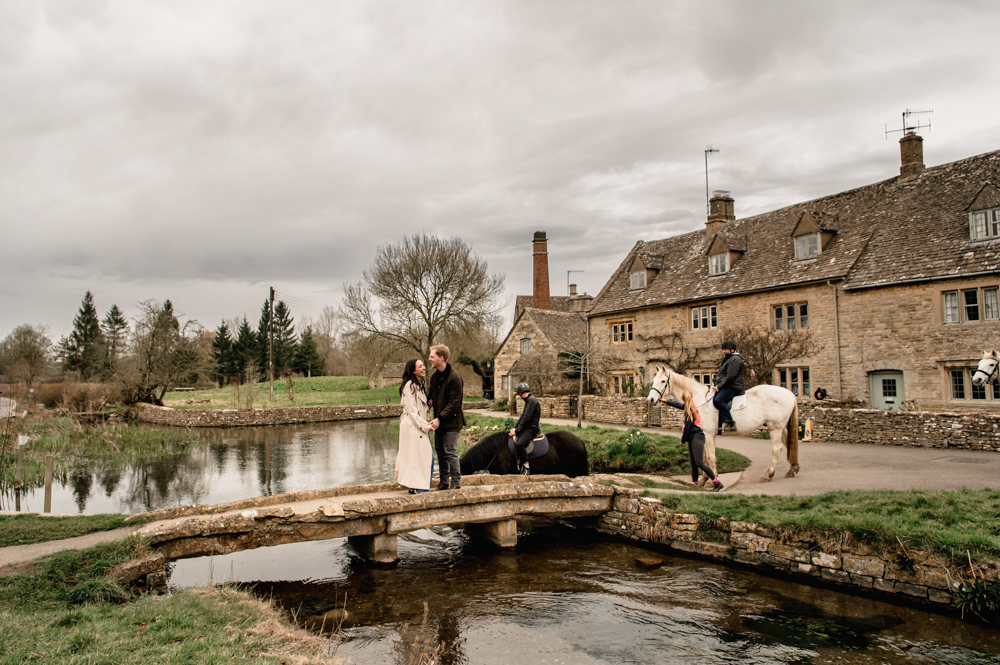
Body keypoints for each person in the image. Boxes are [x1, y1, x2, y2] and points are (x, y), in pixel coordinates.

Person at [664, 389, 723, 491]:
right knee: (693, 462)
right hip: (693, 437)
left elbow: (688, 426)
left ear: (683, 398)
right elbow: (678, 405)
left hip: (697, 436)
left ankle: (716, 482)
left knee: (699, 462)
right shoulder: (688, 407)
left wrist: (682, 440)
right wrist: (666, 401)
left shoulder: (690, 409)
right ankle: (695, 483)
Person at [395, 358, 436, 494]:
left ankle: (415, 487)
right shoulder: (409, 386)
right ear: (413, 370)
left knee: (418, 456)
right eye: (420, 366)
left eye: (423, 365)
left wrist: (428, 407)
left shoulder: (418, 385)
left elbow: (419, 409)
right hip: (412, 426)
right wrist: (426, 426)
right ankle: (421, 489)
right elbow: (412, 412)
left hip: (417, 424)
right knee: (423, 456)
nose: (424, 368)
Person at [428, 344, 466, 490]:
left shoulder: (455, 377)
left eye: (432, 356)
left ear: (441, 358)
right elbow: (431, 395)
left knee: (450, 452)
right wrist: (428, 402)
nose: (430, 359)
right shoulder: (434, 376)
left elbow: (454, 403)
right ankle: (444, 482)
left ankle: (456, 484)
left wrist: (439, 418)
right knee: (440, 452)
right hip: (440, 421)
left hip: (452, 421)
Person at [713, 340, 745, 434]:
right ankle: (719, 427)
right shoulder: (729, 359)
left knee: (719, 400)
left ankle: (729, 422)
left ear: (732, 350)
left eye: (726, 349)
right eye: (723, 349)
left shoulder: (735, 359)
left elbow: (730, 375)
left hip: (733, 386)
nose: (724, 351)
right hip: (727, 384)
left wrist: (719, 385)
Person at [508, 382, 540, 475]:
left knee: (520, 444)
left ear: (521, 393)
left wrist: (518, 430)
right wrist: (514, 427)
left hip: (531, 428)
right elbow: (522, 417)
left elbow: (527, 418)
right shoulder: (529, 400)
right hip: (527, 427)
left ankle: (526, 468)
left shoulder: (531, 401)